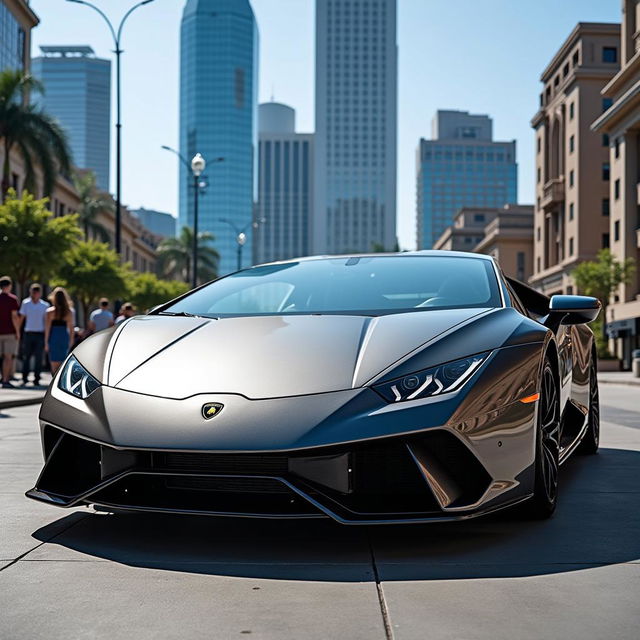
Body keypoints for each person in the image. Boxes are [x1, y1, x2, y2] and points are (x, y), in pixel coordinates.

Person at [19, 283, 49, 386]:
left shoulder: (45, 305)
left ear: (40, 293)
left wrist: (46, 337)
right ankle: (24, 377)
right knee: (26, 356)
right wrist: (18, 332)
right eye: (33, 292)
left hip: (40, 334)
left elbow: (46, 322)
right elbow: (21, 318)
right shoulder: (26, 303)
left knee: (38, 358)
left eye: (36, 292)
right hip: (28, 333)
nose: (34, 294)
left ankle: (36, 378)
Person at [44, 287, 74, 376]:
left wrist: (46, 342)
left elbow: (47, 328)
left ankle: (54, 380)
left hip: (54, 336)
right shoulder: (69, 312)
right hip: (64, 336)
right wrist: (71, 341)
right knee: (62, 362)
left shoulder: (50, 312)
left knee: (53, 361)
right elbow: (71, 328)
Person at [0, 276, 21, 389]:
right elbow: (14, 317)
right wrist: (17, 332)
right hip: (9, 332)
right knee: (8, 358)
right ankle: (5, 380)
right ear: (9, 286)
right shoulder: (12, 299)